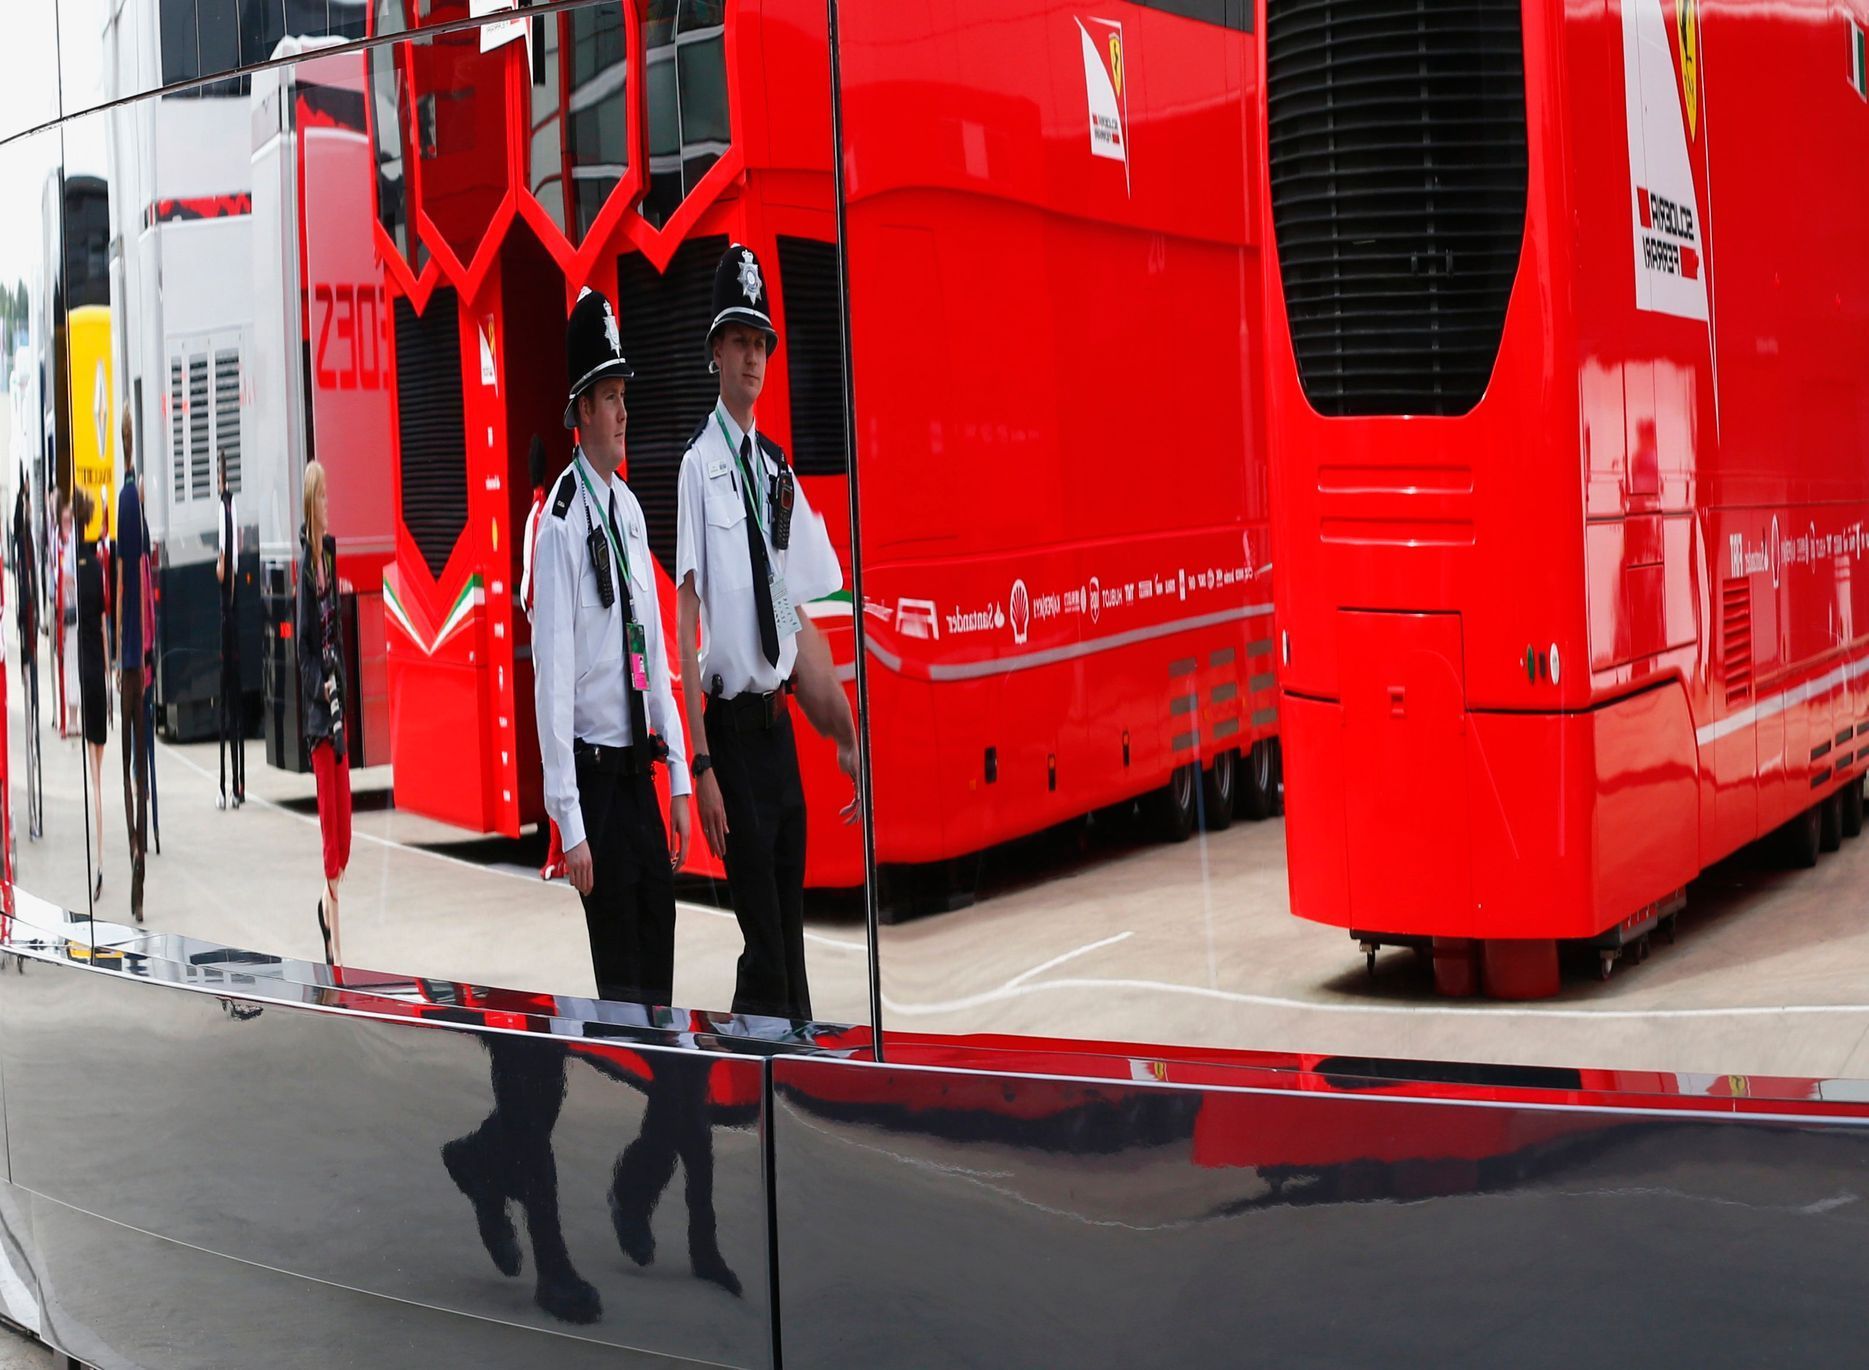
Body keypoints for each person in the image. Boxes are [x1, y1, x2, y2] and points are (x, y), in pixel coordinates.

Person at [674, 243, 859, 1022]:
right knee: (766, 951)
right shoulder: (698, 467)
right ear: (715, 351)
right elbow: (685, 632)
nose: (751, 359)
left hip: (779, 733)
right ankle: (755, 1101)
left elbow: (792, 618)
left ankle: (786, 1094)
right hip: (733, 742)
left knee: (791, 936)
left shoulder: (776, 472)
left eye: (760, 345)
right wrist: (701, 766)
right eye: (739, 342)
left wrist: (846, 736)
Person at [533, 286, 692, 1006]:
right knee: (623, 996)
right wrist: (568, 822)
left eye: (624, 393)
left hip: (640, 781)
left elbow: (653, 652)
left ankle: (663, 1119)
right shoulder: (561, 523)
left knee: (660, 973)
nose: (624, 412)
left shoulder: (627, 509)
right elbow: (552, 682)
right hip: (597, 789)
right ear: (582, 410)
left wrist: (681, 779)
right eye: (610, 395)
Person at [298, 460, 350, 965]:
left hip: (339, 714)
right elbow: (305, 654)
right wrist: (325, 692)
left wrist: (342, 693)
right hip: (321, 722)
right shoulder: (302, 573)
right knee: (331, 840)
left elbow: (334, 635)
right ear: (312, 505)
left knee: (347, 837)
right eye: (325, 500)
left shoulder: (329, 561)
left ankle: (324, 907)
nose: (330, 507)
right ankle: (339, 948)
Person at [520, 434, 566, 882]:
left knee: (552, 750)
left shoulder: (537, 517)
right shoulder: (556, 509)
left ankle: (557, 850)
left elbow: (527, 592)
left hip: (546, 657)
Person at [113, 412, 150, 923]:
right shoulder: (138, 500)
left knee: (125, 762)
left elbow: (124, 580)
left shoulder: (123, 501)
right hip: (141, 650)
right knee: (141, 759)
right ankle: (142, 845)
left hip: (126, 655)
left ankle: (135, 849)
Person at [72, 489, 109, 908]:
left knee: (93, 772)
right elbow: (101, 624)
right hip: (97, 668)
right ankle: (100, 858)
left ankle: (97, 859)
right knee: (99, 767)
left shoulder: (75, 566)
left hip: (84, 669)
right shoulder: (96, 565)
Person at [215, 448, 245, 809]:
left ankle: (225, 784)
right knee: (236, 702)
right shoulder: (234, 511)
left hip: (225, 618)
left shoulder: (221, 513)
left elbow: (223, 569)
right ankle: (240, 782)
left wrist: (217, 567)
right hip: (235, 617)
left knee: (225, 704)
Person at [12, 468, 41, 838]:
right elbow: (23, 603)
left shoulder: (25, 552)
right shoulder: (23, 553)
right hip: (28, 642)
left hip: (29, 641)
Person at [55, 494, 73, 738]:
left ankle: (73, 717)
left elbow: (69, 579)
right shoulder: (60, 545)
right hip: (63, 610)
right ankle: (67, 717)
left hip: (73, 611)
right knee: (65, 664)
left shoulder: (73, 546)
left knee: (72, 665)